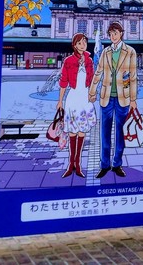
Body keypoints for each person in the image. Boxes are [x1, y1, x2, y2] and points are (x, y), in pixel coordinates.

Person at [89, 21, 137, 179]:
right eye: (110, 34)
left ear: (121, 33)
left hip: (123, 99)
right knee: (105, 133)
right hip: (106, 97)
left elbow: (133, 77)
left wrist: (133, 99)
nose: (112, 36)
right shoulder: (105, 52)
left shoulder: (130, 51)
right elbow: (98, 72)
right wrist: (92, 91)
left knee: (120, 134)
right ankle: (104, 165)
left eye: (115, 33)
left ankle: (117, 164)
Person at [56, 33, 97, 178]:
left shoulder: (89, 60)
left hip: (85, 98)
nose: (82, 45)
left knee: (82, 132)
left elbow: (92, 80)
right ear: (74, 45)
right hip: (73, 98)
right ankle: (70, 164)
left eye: (84, 42)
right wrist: (60, 101)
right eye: (79, 43)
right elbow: (63, 82)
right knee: (72, 132)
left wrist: (93, 93)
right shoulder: (68, 61)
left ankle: (78, 165)